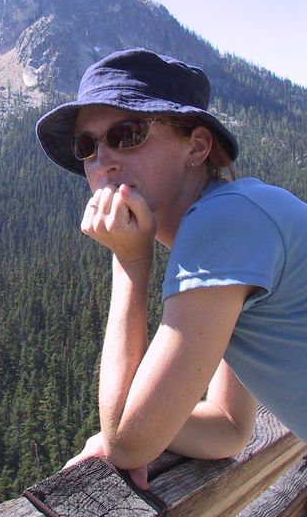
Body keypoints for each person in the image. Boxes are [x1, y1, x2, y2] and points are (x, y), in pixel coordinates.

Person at [35, 48, 307, 490]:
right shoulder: (240, 215)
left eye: (127, 134)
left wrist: (130, 260)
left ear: (196, 147)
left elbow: (129, 445)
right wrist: (144, 423)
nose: (102, 161)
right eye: (87, 146)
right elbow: (228, 427)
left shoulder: (224, 223)